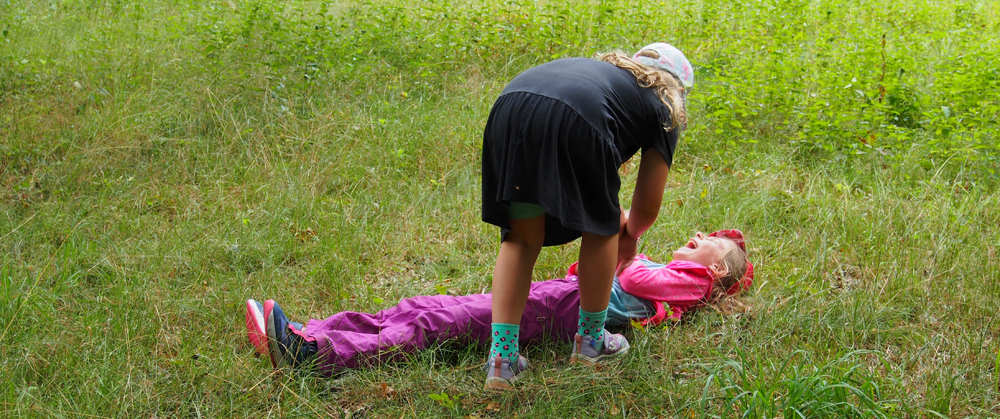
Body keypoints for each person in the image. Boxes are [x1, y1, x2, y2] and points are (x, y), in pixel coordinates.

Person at [247, 230, 753, 389]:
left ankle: (312, 356)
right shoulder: (686, 276)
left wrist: (628, 251)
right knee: (427, 308)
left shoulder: (693, 282)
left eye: (707, 243)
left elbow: (634, 276)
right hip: (558, 299)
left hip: (558, 308)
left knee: (437, 323)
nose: (695, 239)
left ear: (717, 274)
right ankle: (308, 331)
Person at [478, 42, 694, 389]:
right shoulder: (663, 104)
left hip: (511, 104)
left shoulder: (610, 77)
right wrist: (628, 232)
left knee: (521, 236)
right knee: (603, 227)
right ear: (677, 90)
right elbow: (646, 206)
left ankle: (502, 360)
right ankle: (592, 342)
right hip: (580, 115)